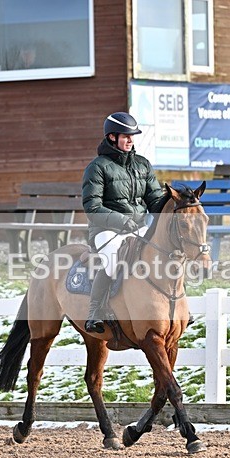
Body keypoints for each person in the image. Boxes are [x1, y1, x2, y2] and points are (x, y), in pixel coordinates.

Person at [81, 112, 165, 333]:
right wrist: (121, 221)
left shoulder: (143, 165)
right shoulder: (97, 167)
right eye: (126, 136)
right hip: (106, 230)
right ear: (112, 137)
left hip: (137, 228)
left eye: (132, 136)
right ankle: (95, 312)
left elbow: (154, 199)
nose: (130, 140)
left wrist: (171, 205)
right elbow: (93, 207)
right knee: (111, 260)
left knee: (163, 253)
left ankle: (174, 307)